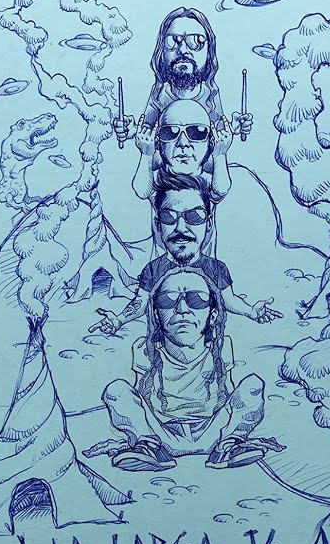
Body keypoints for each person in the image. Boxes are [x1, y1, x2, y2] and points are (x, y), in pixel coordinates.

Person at [82, 268, 284, 471]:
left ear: (212, 314)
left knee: (253, 385)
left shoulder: (222, 346)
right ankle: (148, 447)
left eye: (197, 300)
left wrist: (232, 425)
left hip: (215, 433)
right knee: (116, 389)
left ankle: (229, 446)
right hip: (161, 435)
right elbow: (140, 394)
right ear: (156, 315)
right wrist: (138, 429)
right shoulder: (144, 348)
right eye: (167, 300)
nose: (182, 309)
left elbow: (228, 391)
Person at [92, 174, 283, 331]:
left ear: (209, 223)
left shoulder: (216, 269)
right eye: (169, 216)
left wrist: (252, 312)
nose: (181, 228)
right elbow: (140, 303)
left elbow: (228, 300)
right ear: (158, 224)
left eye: (195, 216)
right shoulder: (153, 270)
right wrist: (118, 320)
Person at [113, 7, 253, 196]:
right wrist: (132, 132)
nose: (183, 50)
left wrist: (233, 128)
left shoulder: (210, 94)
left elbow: (217, 142)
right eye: (173, 41)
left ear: (209, 51)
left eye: (196, 41)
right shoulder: (160, 94)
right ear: (161, 50)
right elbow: (147, 139)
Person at [131, 98, 234, 204]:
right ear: (157, 142)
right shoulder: (155, 179)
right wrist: (146, 155)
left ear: (211, 143)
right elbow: (142, 192)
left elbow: (221, 190)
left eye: (197, 132)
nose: (183, 143)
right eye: (170, 132)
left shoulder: (211, 180)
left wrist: (220, 154)